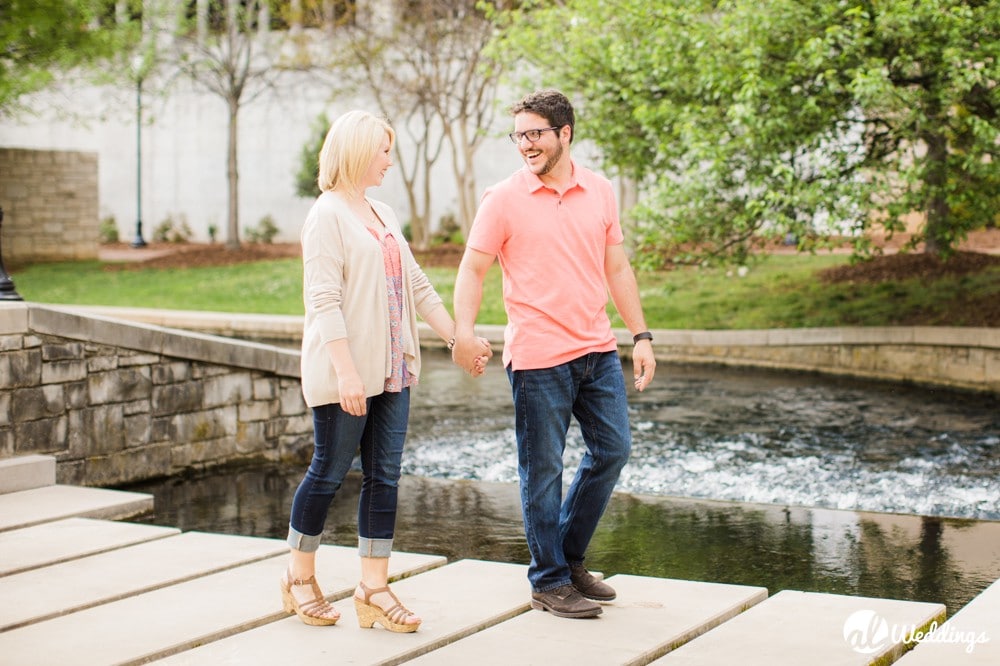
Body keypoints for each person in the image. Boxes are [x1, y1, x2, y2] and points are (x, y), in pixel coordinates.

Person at [282, 110, 491, 631]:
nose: (389, 160)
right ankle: (297, 576)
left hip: (394, 371)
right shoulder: (326, 216)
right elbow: (324, 301)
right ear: (355, 151)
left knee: (385, 478)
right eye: (382, 150)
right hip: (346, 374)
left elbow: (417, 285)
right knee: (328, 471)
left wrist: (456, 337)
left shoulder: (383, 213)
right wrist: (347, 374)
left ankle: (373, 589)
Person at [451, 89, 657, 619]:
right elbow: (472, 269)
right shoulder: (502, 198)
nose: (525, 144)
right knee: (541, 472)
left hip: (597, 349)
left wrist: (641, 336)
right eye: (519, 135)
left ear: (565, 133)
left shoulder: (601, 190)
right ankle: (547, 581)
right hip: (539, 356)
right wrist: (464, 333)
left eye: (535, 133)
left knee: (612, 451)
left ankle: (566, 560)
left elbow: (617, 267)